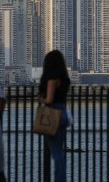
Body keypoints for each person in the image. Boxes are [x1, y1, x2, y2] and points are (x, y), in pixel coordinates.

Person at [39, 50, 71, 182]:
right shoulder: (63, 79)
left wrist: (40, 99)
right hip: (63, 113)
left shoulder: (51, 80)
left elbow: (49, 100)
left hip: (52, 115)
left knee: (56, 154)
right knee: (60, 152)